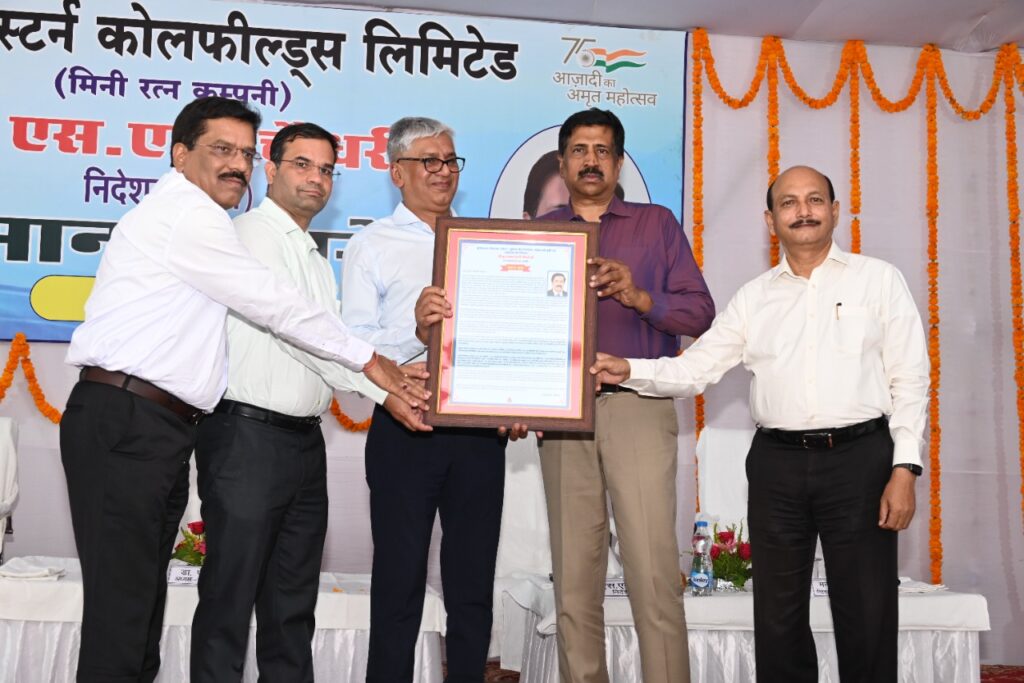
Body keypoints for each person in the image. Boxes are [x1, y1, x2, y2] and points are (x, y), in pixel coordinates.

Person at [60, 97, 426, 683]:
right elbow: (275, 307)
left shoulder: (226, 228)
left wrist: (383, 378)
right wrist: (374, 365)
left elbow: (295, 325)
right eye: (222, 150)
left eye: (244, 154)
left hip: (157, 426)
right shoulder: (194, 216)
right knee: (125, 616)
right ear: (180, 155)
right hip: (130, 417)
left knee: (139, 612)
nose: (237, 164)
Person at [592, 165, 929, 682]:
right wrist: (629, 370)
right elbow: (696, 368)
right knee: (777, 617)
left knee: (867, 611)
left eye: (815, 200)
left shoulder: (879, 280)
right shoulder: (754, 297)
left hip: (861, 460)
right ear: (771, 221)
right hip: (778, 466)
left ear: (835, 211)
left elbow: (910, 378)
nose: (803, 211)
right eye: (789, 203)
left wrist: (905, 468)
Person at [188, 122, 428, 682]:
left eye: (326, 169)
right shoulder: (251, 236)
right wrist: (385, 387)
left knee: (292, 608)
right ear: (270, 170)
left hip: (301, 442)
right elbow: (300, 335)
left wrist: (391, 379)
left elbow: (332, 342)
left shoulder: (315, 257)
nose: (316, 178)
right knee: (229, 604)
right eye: (302, 164)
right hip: (246, 439)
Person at [538, 108, 714, 683]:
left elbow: (700, 313)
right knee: (573, 582)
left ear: (618, 164)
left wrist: (639, 297)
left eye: (603, 151)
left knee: (653, 572)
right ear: (562, 163)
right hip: (563, 418)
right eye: (580, 150)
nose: (591, 160)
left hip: (637, 405)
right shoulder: (538, 232)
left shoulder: (655, 224)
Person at [342, 116, 520, 683]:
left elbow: (511, 334)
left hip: (479, 431)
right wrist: (414, 333)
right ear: (397, 172)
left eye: (450, 160)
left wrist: (518, 399)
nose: (443, 172)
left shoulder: (490, 242)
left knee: (472, 586)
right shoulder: (371, 244)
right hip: (406, 425)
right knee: (398, 584)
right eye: (429, 161)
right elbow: (353, 343)